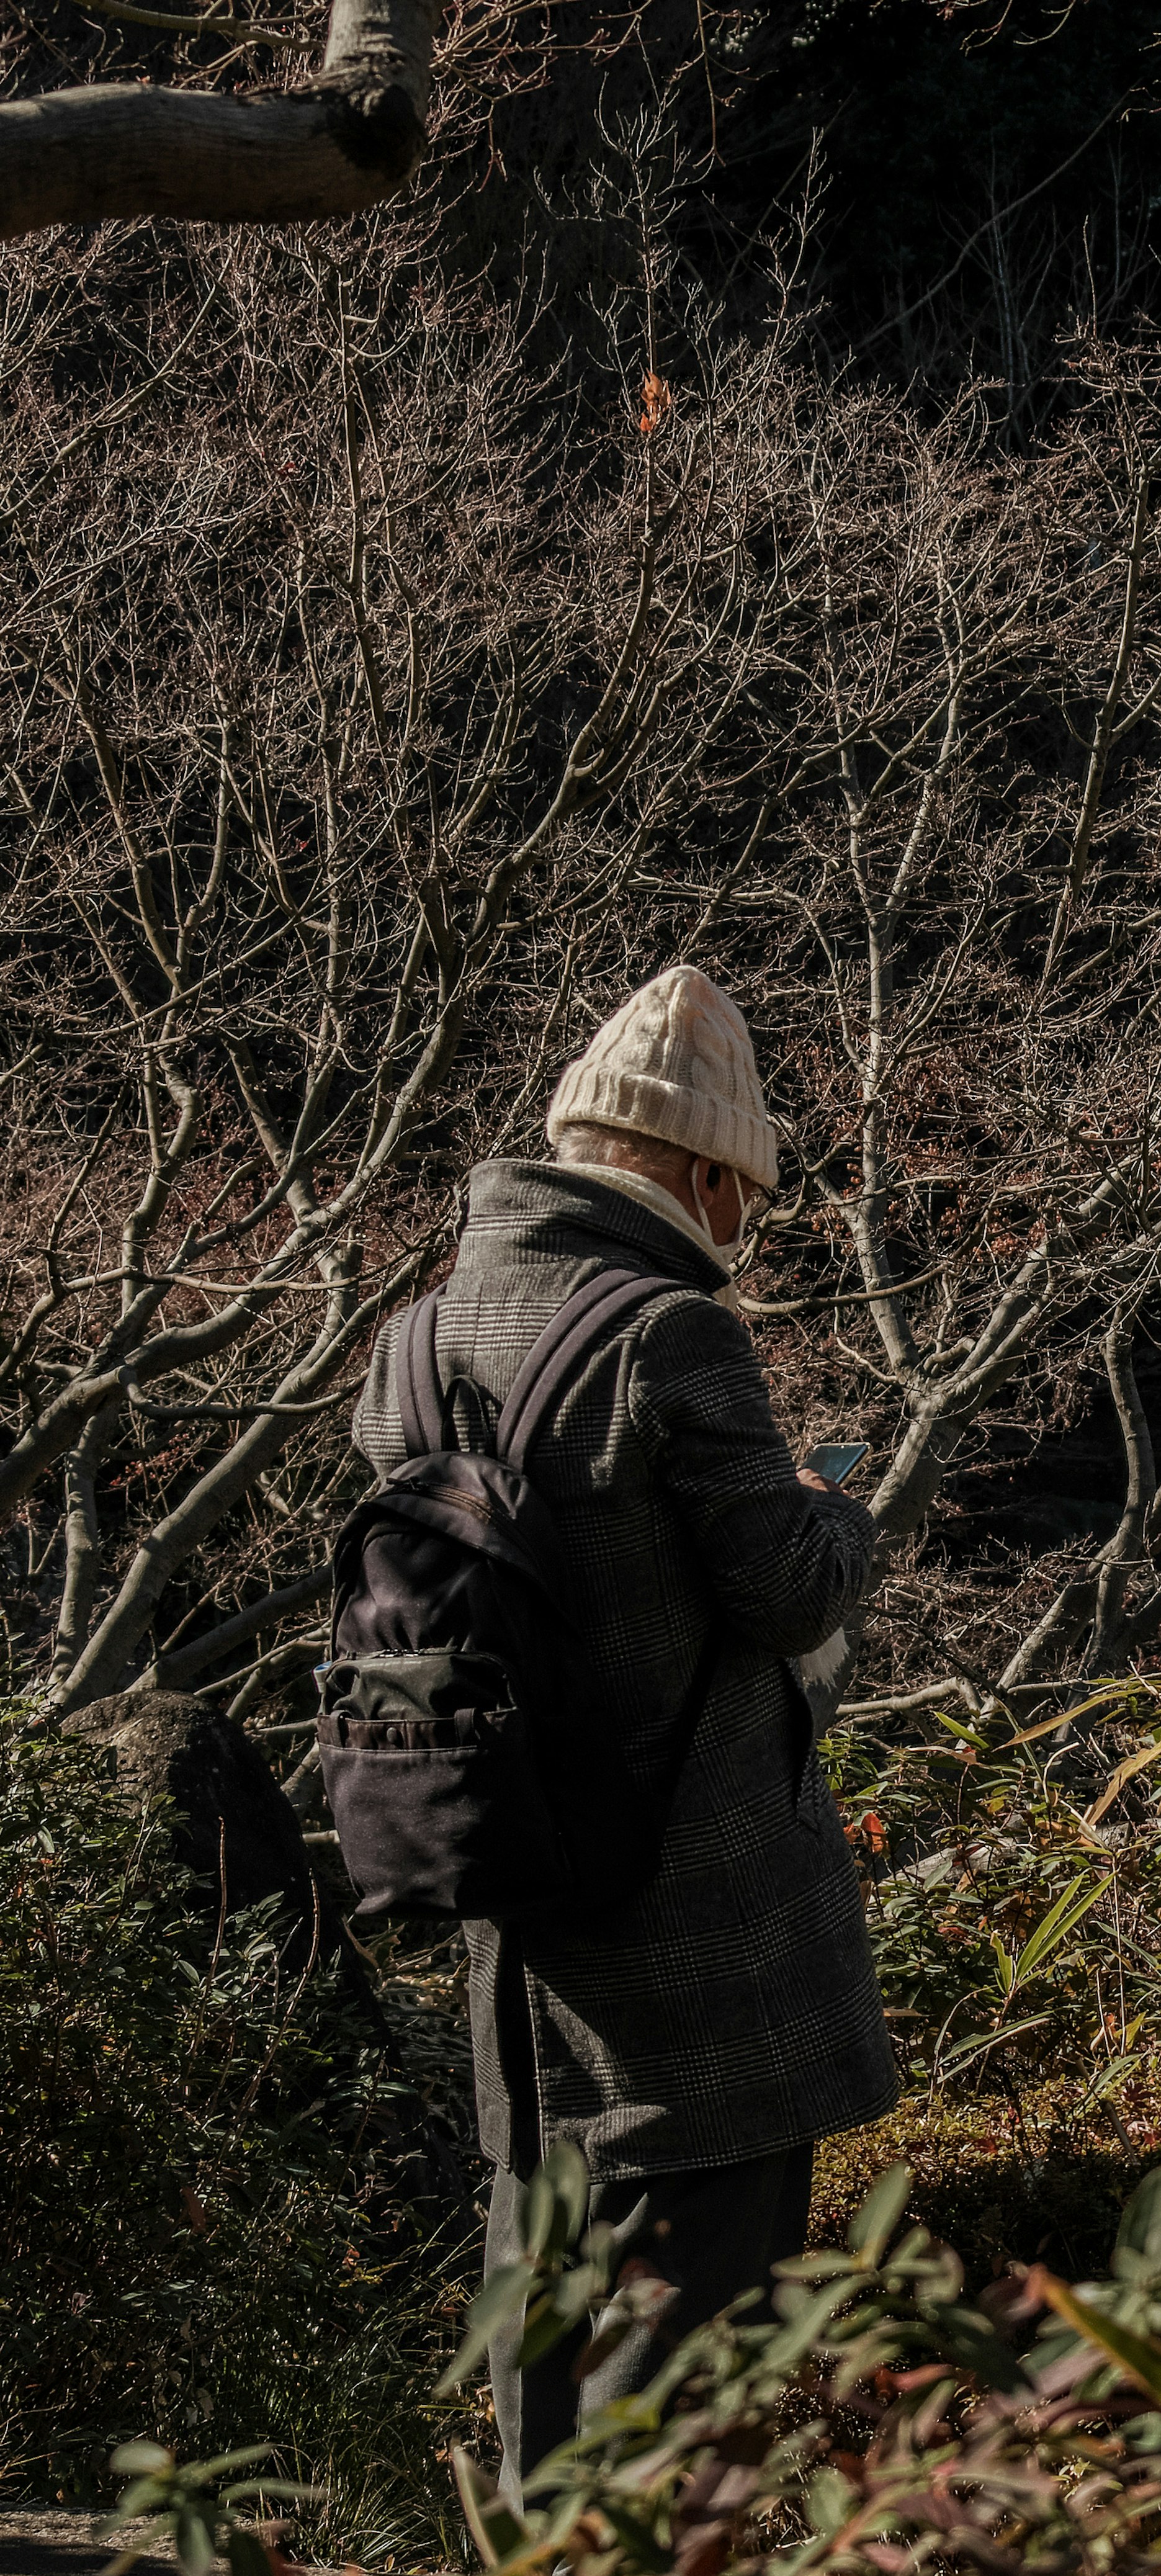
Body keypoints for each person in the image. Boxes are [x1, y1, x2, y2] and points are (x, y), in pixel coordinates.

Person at [351, 964, 899, 2498]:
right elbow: (789, 1596)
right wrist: (841, 1507)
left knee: (547, 2311)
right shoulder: (671, 1335)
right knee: (695, 2366)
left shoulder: (411, 1342)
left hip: (519, 1919)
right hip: (699, 1932)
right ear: (712, 1175)